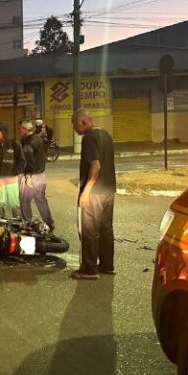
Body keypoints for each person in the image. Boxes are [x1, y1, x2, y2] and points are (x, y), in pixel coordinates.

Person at [71, 108, 116, 280]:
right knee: (105, 229)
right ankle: (107, 265)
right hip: (108, 191)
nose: (75, 129)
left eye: (75, 125)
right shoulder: (106, 135)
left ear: (83, 121)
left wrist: (86, 192)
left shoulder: (89, 138)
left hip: (93, 193)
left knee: (88, 230)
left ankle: (88, 269)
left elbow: (95, 165)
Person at [18, 119, 54, 230]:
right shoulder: (38, 138)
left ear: (25, 129)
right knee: (40, 199)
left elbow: (29, 160)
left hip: (32, 176)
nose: (19, 130)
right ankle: (49, 223)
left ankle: (27, 222)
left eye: (20, 129)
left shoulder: (28, 142)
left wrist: (28, 176)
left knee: (24, 199)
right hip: (41, 175)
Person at [0, 122, 25, 217]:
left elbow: (22, 161)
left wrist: (15, 172)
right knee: (0, 205)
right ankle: (1, 226)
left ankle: (17, 226)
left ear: (3, 132)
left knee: (14, 204)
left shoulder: (15, 145)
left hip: (11, 181)